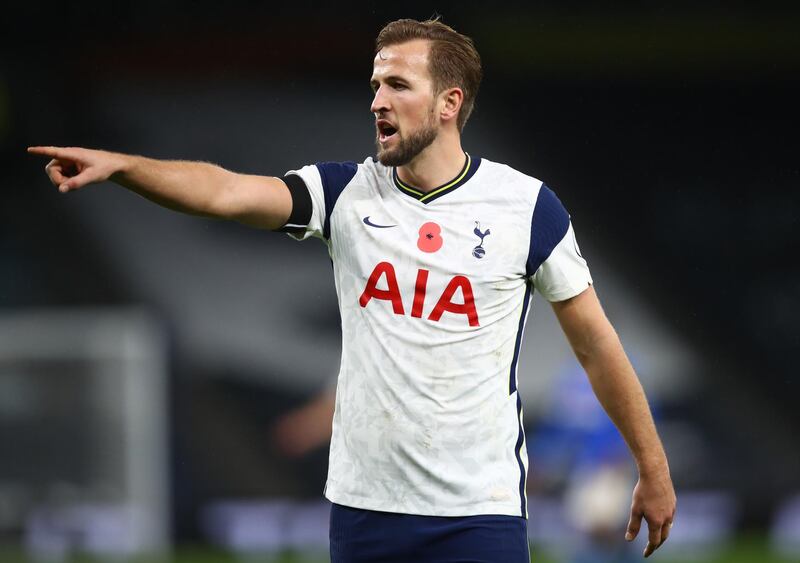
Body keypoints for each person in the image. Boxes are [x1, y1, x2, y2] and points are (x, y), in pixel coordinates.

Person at [28, 17, 676, 562]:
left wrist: (652, 465)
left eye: (397, 84)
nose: (376, 101)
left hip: (480, 513)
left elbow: (596, 345)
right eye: (374, 85)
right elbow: (225, 191)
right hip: (366, 511)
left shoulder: (527, 208)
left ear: (449, 103)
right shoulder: (344, 194)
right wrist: (124, 166)